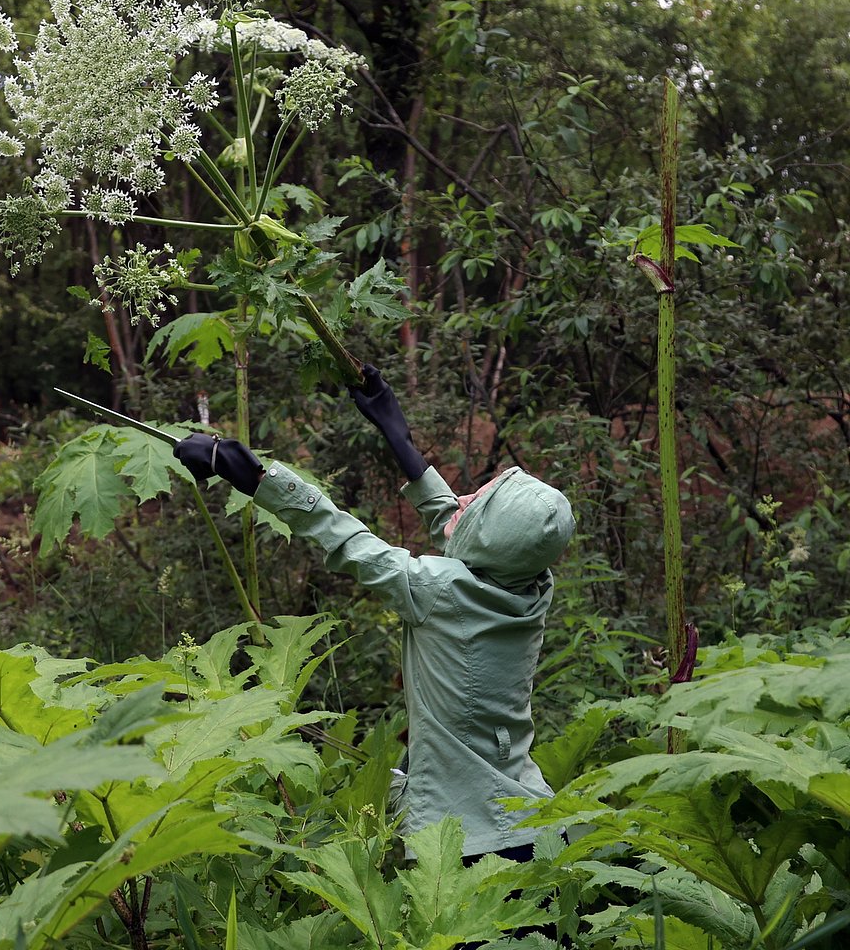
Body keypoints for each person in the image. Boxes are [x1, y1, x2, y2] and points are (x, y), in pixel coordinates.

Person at [173, 364, 575, 863]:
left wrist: (256, 477)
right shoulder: (530, 583)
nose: (464, 497)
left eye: (478, 502)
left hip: (473, 841)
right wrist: (394, 429)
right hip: (532, 821)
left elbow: (346, 539)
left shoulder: (442, 591)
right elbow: (459, 526)